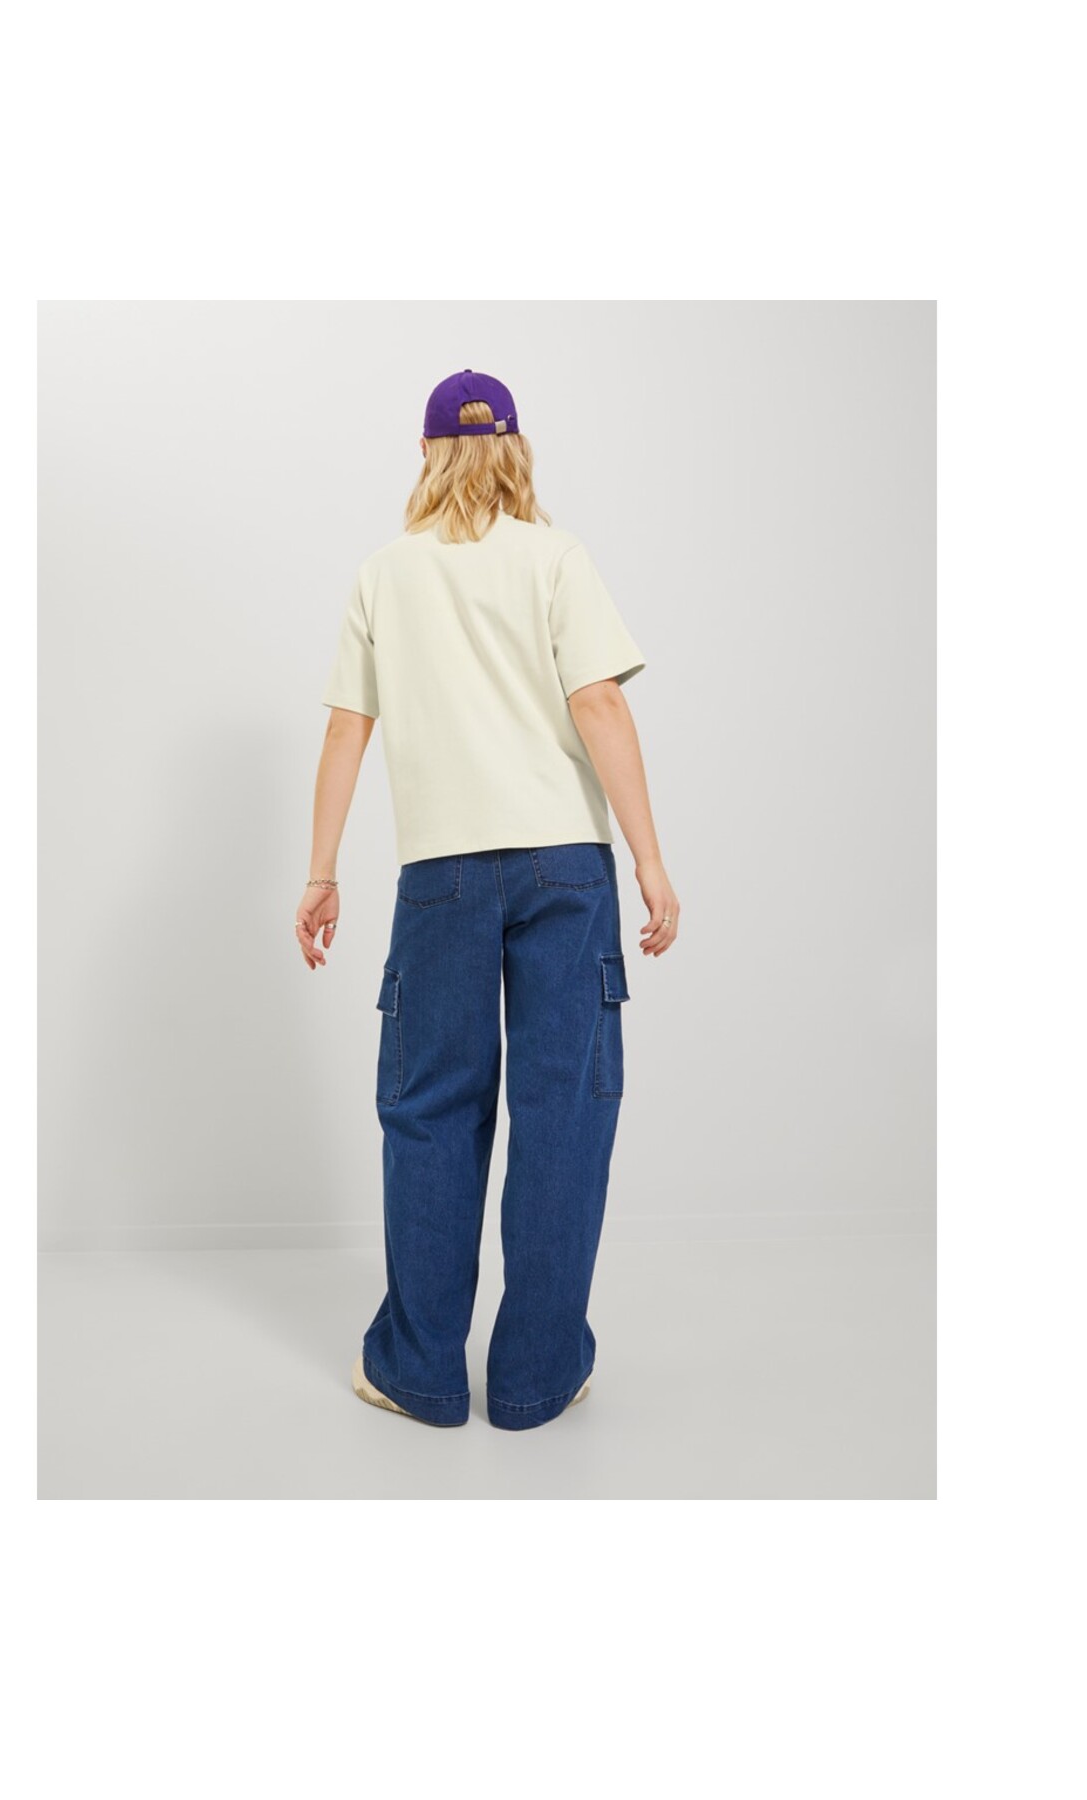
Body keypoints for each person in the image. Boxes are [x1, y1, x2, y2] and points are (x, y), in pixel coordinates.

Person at [299, 368, 679, 1431]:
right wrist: (649, 860)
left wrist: (323, 872)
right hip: (564, 867)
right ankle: (535, 1378)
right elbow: (599, 704)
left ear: (427, 453)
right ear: (515, 449)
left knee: (431, 1112)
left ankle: (419, 1373)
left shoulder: (385, 573)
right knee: (564, 1115)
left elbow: (346, 729)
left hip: (442, 876)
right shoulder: (557, 559)